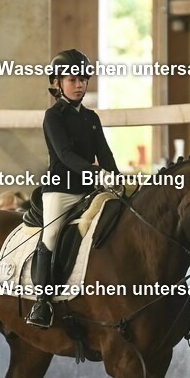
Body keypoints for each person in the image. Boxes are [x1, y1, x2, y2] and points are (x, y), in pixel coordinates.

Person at [27, 48, 120, 328]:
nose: (80, 85)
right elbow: (65, 155)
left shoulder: (91, 118)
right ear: (57, 83)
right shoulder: (52, 117)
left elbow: (105, 153)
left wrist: (116, 176)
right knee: (52, 234)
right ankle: (41, 302)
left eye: (83, 79)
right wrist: (97, 174)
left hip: (90, 190)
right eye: (72, 80)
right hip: (61, 190)